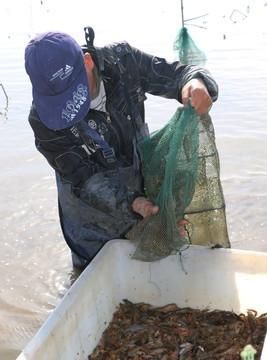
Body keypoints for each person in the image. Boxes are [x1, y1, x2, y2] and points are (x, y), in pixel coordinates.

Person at [24, 27, 218, 270]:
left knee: (153, 274)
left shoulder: (123, 62)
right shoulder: (43, 120)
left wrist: (195, 82)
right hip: (90, 223)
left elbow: (180, 74)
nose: (69, 108)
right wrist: (134, 204)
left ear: (87, 62)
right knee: (95, 284)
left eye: (73, 92)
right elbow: (83, 178)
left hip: (138, 188)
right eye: (58, 100)